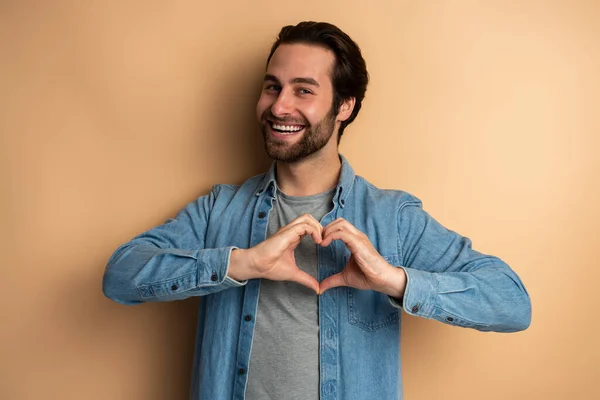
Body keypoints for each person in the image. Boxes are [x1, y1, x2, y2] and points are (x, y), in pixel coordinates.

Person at [102, 21, 531, 400]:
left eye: (303, 90)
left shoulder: (393, 218)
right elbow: (120, 276)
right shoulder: (219, 208)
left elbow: (512, 302)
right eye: (273, 86)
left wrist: (395, 280)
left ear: (344, 107)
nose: (279, 106)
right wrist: (241, 262)